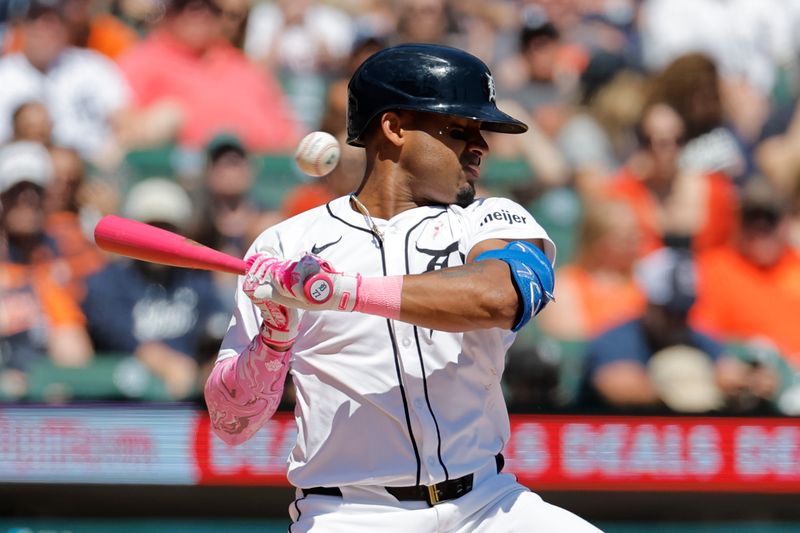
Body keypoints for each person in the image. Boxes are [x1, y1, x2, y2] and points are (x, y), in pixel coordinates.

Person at [204, 43, 599, 532]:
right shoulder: (286, 244)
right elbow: (230, 424)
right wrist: (273, 342)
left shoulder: (490, 218)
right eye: (459, 129)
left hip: (487, 505)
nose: (480, 145)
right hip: (348, 515)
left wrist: (340, 290)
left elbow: (498, 296)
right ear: (393, 128)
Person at [579, 247, 775, 412]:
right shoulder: (618, 337)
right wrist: (683, 386)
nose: (677, 320)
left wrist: (750, 382)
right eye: (669, 312)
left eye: (683, 311)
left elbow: (729, 371)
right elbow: (615, 386)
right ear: (650, 303)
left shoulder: (694, 335)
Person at [82, 178, 227, 400]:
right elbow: (112, 330)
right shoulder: (109, 281)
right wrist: (161, 361)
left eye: (167, 230)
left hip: (190, 400)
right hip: (122, 402)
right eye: (151, 230)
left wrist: (211, 364)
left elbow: (216, 327)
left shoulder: (196, 280)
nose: (158, 241)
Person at [0, 141, 94, 398]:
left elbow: (75, 355)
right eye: (17, 190)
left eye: (35, 191)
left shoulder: (66, 251)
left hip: (41, 396)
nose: (27, 200)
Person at [0, 0, 132, 164]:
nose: (45, 27)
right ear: (21, 25)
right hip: (25, 174)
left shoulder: (93, 66)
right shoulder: (4, 76)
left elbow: (126, 121)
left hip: (92, 170)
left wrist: (115, 148)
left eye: (54, 18)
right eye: (35, 18)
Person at [692, 178, 800, 369]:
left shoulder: (795, 265)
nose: (760, 228)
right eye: (751, 218)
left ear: (786, 223)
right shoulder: (713, 269)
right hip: (744, 377)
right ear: (738, 222)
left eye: (770, 219)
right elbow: (702, 335)